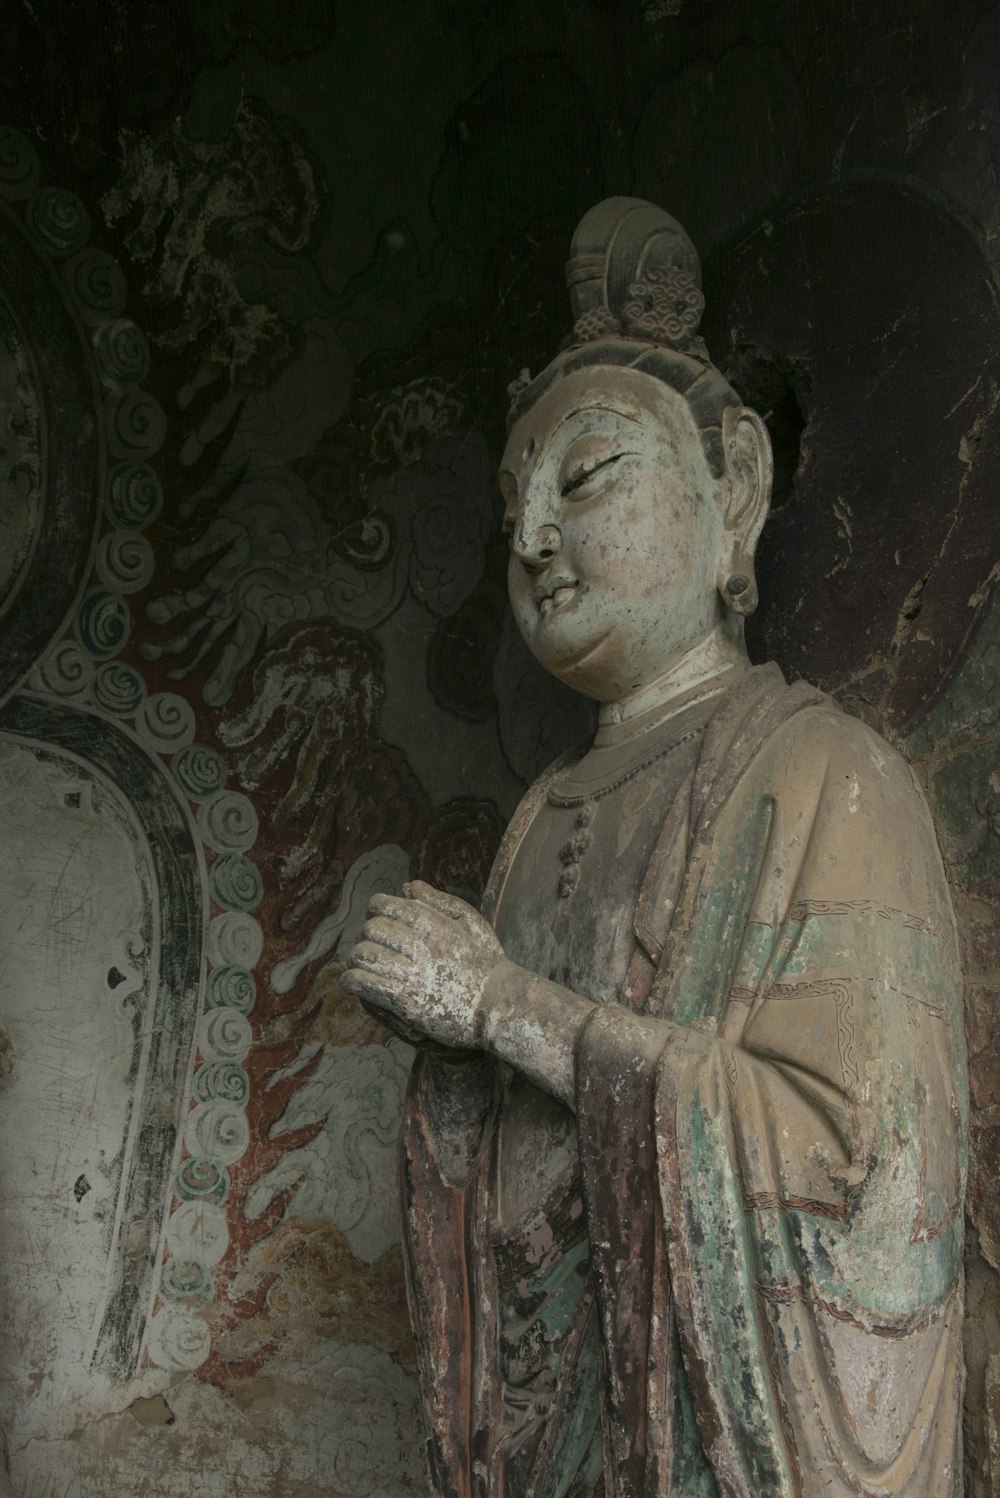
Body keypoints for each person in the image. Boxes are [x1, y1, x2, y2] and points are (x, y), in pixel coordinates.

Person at [343, 198, 967, 1497]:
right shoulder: (538, 814)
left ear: (730, 487)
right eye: (514, 500)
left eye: (583, 479)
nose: (530, 539)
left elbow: (867, 1181)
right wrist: (451, 1063)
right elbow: (524, 1185)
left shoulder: (828, 776)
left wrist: (503, 1006)